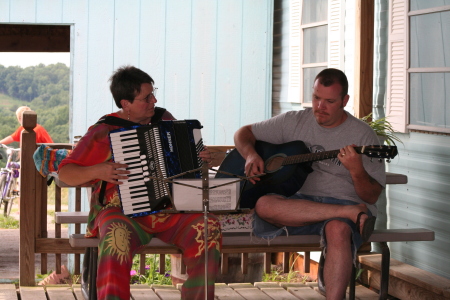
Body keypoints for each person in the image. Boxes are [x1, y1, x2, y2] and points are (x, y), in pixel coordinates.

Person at [58, 66, 221, 300]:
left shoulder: (164, 120)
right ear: (125, 103)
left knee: (208, 226)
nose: (154, 100)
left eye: (153, 94)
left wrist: (202, 157)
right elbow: (66, 173)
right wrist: (98, 170)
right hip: (121, 213)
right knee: (115, 235)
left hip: (168, 209)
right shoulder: (103, 131)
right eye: (146, 98)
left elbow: (185, 159)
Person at [234, 68, 385, 299]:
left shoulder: (363, 136)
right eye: (316, 98)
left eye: (329, 101)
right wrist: (251, 155)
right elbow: (243, 133)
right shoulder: (294, 121)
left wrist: (356, 171)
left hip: (345, 203)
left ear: (345, 101)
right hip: (301, 206)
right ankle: (350, 213)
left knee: (338, 228)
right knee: (264, 204)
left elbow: (372, 196)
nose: (319, 107)